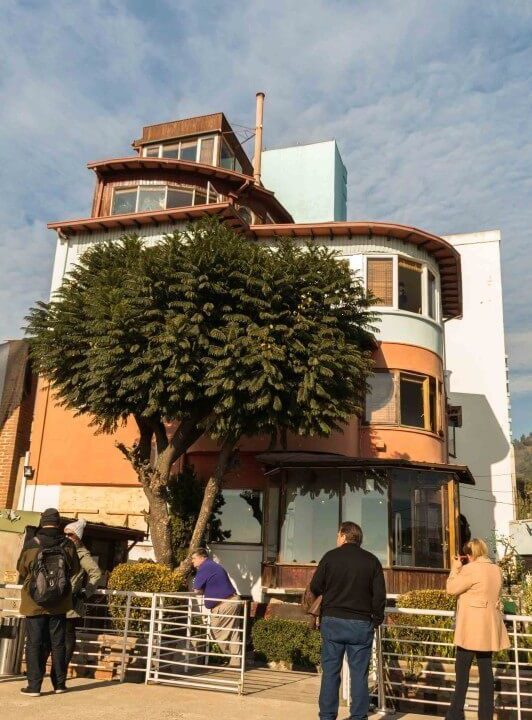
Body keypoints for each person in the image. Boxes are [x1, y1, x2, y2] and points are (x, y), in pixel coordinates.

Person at [310, 521, 386, 720]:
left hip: (333, 621)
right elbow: (379, 596)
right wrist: (376, 620)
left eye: (338, 535)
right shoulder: (372, 561)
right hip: (361, 624)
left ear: (344, 536)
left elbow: (315, 586)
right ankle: (358, 716)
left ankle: (327, 716)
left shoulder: (330, 557)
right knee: (359, 675)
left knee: (330, 673)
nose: (336, 539)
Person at [16, 508, 80, 697]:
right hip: (59, 602)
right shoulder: (68, 544)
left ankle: (34, 686)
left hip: (34, 602)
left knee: (34, 643)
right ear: (58, 523)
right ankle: (59, 684)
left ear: (42, 522)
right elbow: (75, 568)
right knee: (58, 643)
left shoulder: (32, 543)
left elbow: (21, 569)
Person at [446, 538, 510, 720]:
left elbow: (451, 589)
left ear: (469, 555)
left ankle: (454, 716)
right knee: (486, 673)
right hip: (488, 628)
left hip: (470, 629)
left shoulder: (470, 570)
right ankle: (486, 716)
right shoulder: (497, 570)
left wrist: (455, 568)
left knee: (462, 676)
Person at [61, 519, 102, 674]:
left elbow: (96, 573)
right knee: (57, 636)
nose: (67, 536)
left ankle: (62, 668)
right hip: (56, 599)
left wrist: (86, 592)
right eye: (65, 533)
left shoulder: (81, 553)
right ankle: (58, 668)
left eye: (70, 534)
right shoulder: (61, 548)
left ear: (77, 536)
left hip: (71, 600)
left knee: (68, 635)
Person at [191, 548, 242, 668]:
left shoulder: (205, 567)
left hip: (224, 604)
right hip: (231, 600)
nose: (192, 562)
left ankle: (234, 658)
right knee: (233, 632)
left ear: (202, 557)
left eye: (194, 559)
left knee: (216, 632)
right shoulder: (212, 566)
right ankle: (236, 661)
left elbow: (196, 590)